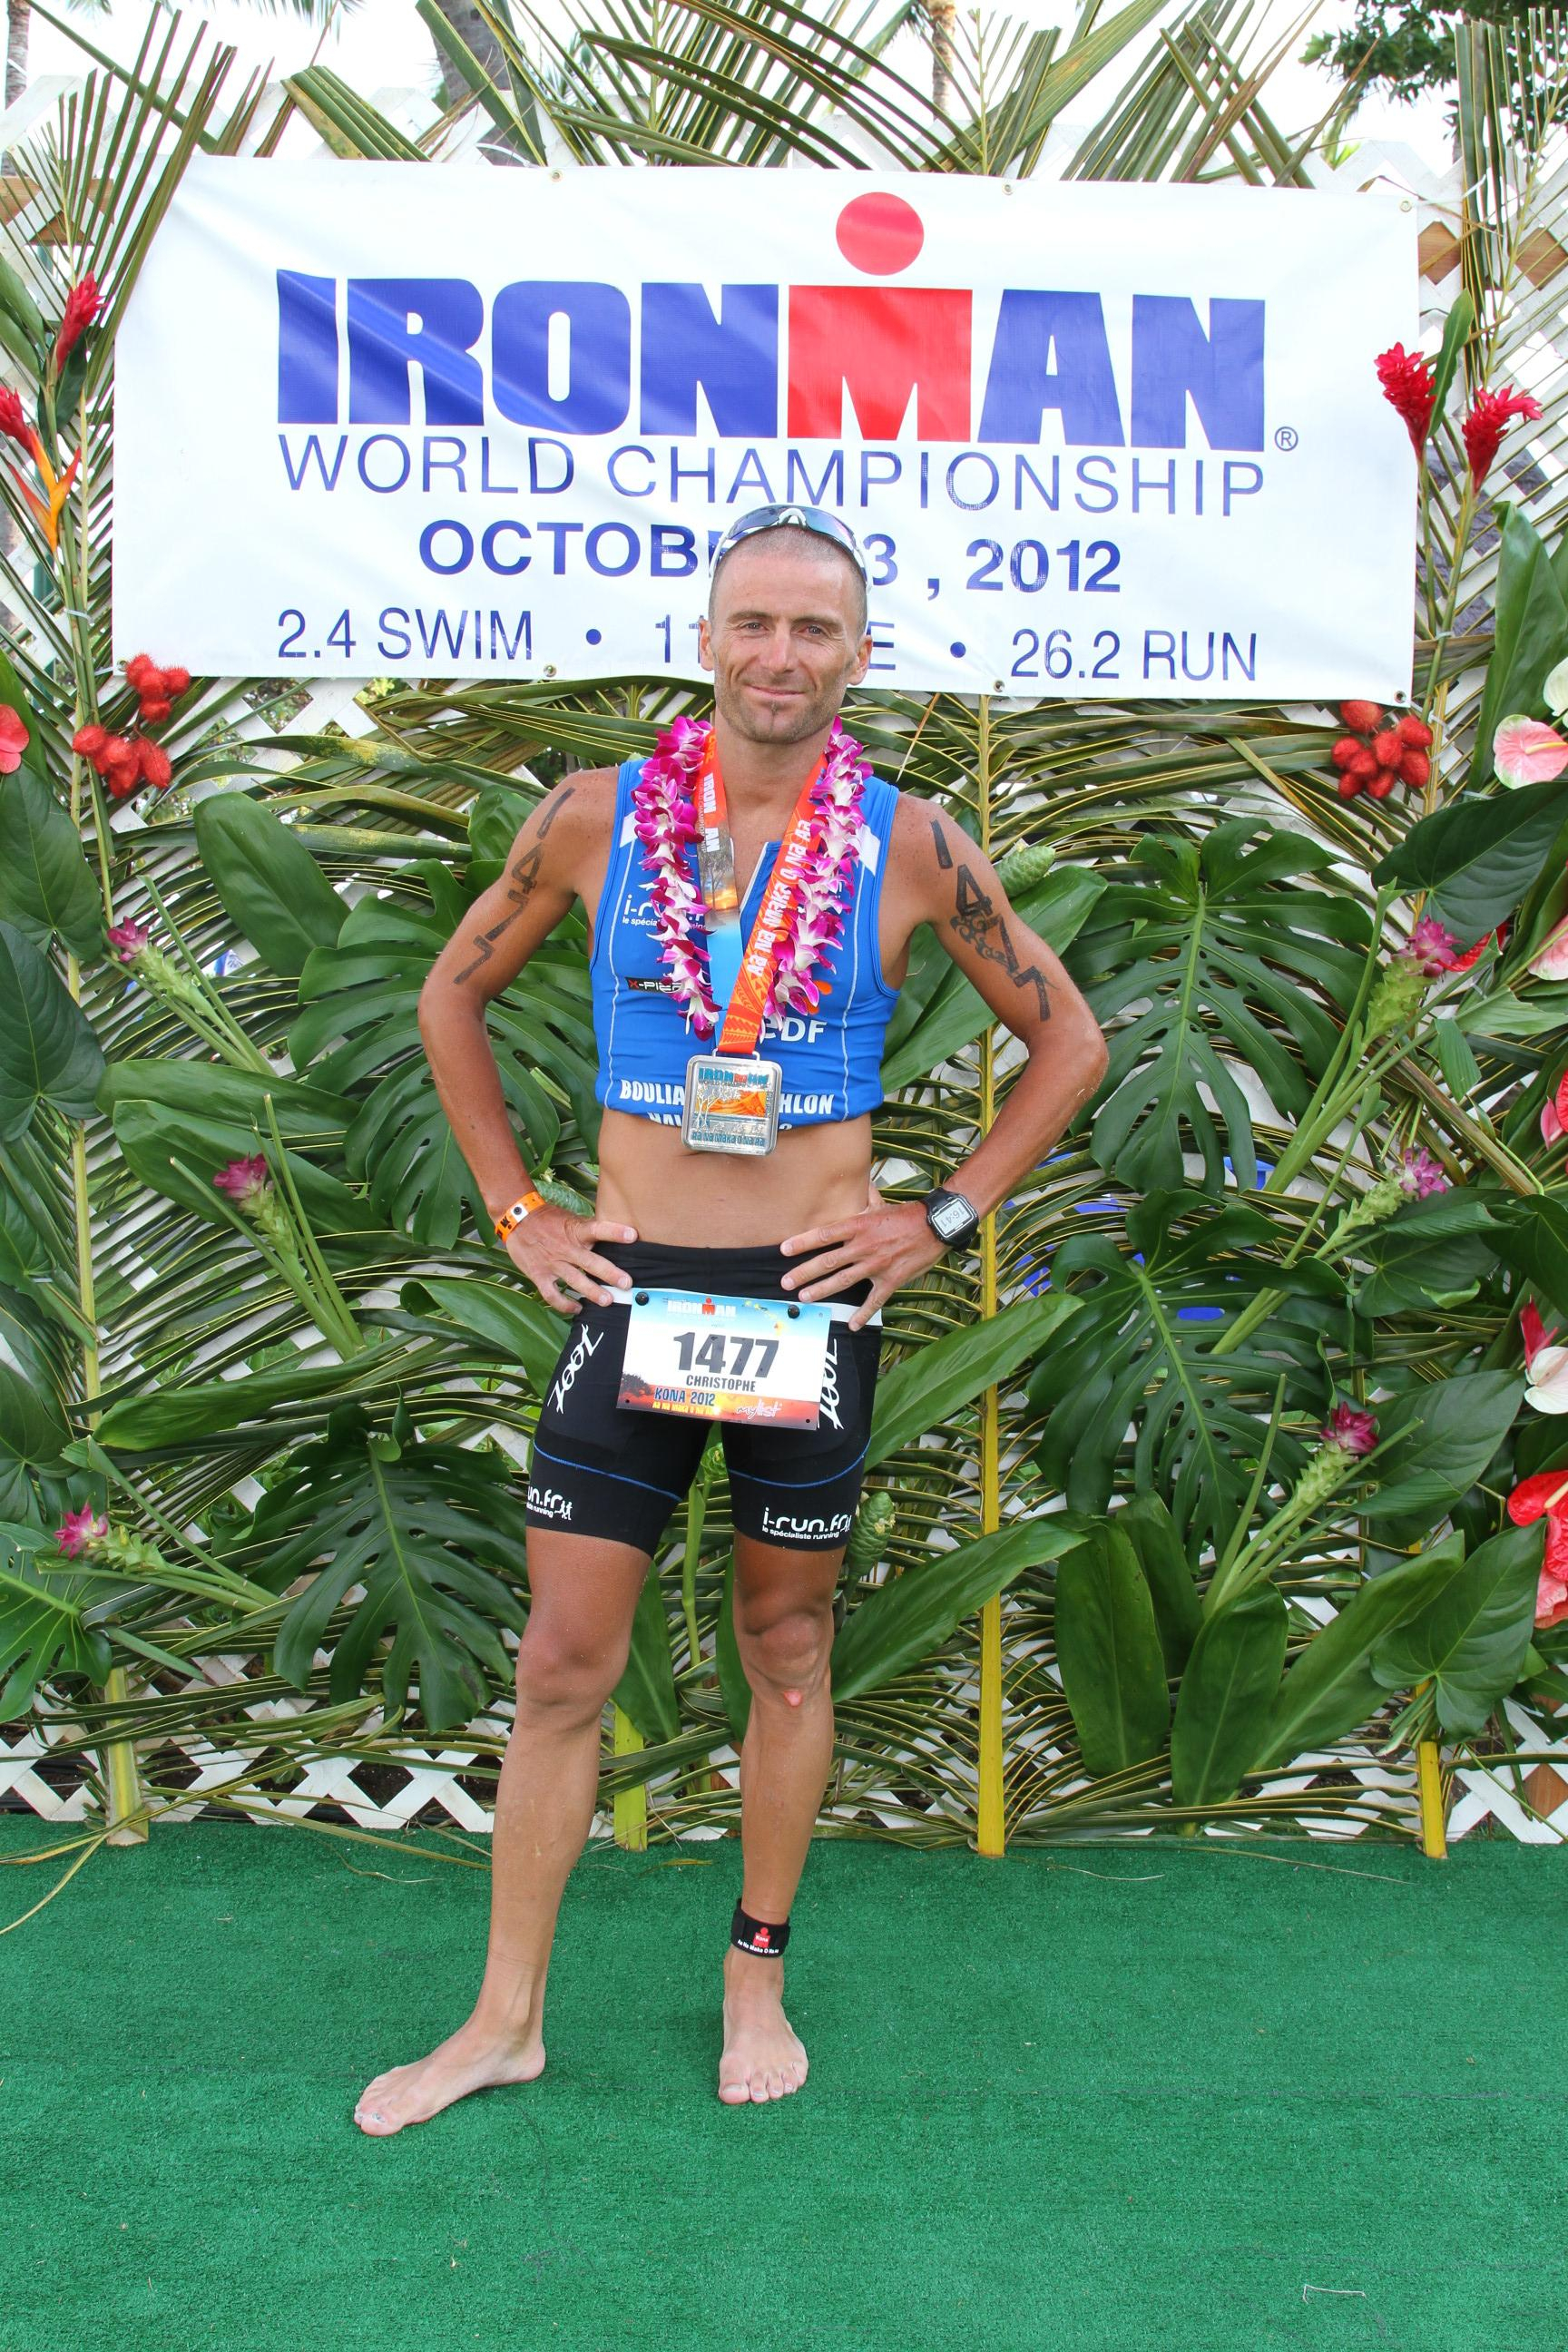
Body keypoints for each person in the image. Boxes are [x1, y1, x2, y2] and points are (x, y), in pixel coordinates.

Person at [354, 504, 1109, 2133]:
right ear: (705, 640)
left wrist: (939, 1218)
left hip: (807, 1304)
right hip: (632, 1294)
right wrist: (517, 1211)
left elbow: (1074, 1044)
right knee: (563, 1662)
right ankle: (503, 2018)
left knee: (786, 1650)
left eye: (814, 629)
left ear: (858, 655)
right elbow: (448, 996)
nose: (781, 654)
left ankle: (754, 1972)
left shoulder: (913, 841)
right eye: (753, 623)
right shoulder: (593, 817)